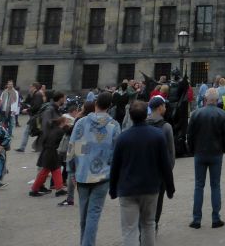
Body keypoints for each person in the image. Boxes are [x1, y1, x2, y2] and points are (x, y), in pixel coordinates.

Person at [109, 101, 175, 246]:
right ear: (146, 115)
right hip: (150, 188)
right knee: (149, 224)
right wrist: (170, 188)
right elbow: (165, 164)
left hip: (128, 189)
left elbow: (115, 166)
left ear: (130, 117)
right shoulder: (157, 135)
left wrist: (113, 189)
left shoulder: (123, 137)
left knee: (129, 229)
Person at [68, 91, 121, 246]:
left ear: (96, 103)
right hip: (103, 176)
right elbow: (117, 152)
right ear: (110, 106)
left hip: (82, 174)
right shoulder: (114, 126)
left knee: (84, 215)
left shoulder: (81, 123)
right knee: (93, 215)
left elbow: (72, 148)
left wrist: (72, 171)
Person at [186, 87, 225, 228]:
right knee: (215, 185)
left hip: (199, 153)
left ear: (205, 100)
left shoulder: (195, 114)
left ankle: (196, 219)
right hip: (216, 153)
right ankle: (215, 218)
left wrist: (193, 150)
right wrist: (223, 149)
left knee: (198, 186)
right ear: (217, 100)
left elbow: (190, 135)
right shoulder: (223, 114)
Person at [144, 96, 175, 233]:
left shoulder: (142, 124)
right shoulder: (166, 127)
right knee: (158, 199)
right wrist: (168, 169)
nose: (166, 108)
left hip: (144, 169)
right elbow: (171, 153)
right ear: (159, 107)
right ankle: (154, 223)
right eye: (164, 105)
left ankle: (144, 223)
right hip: (160, 171)